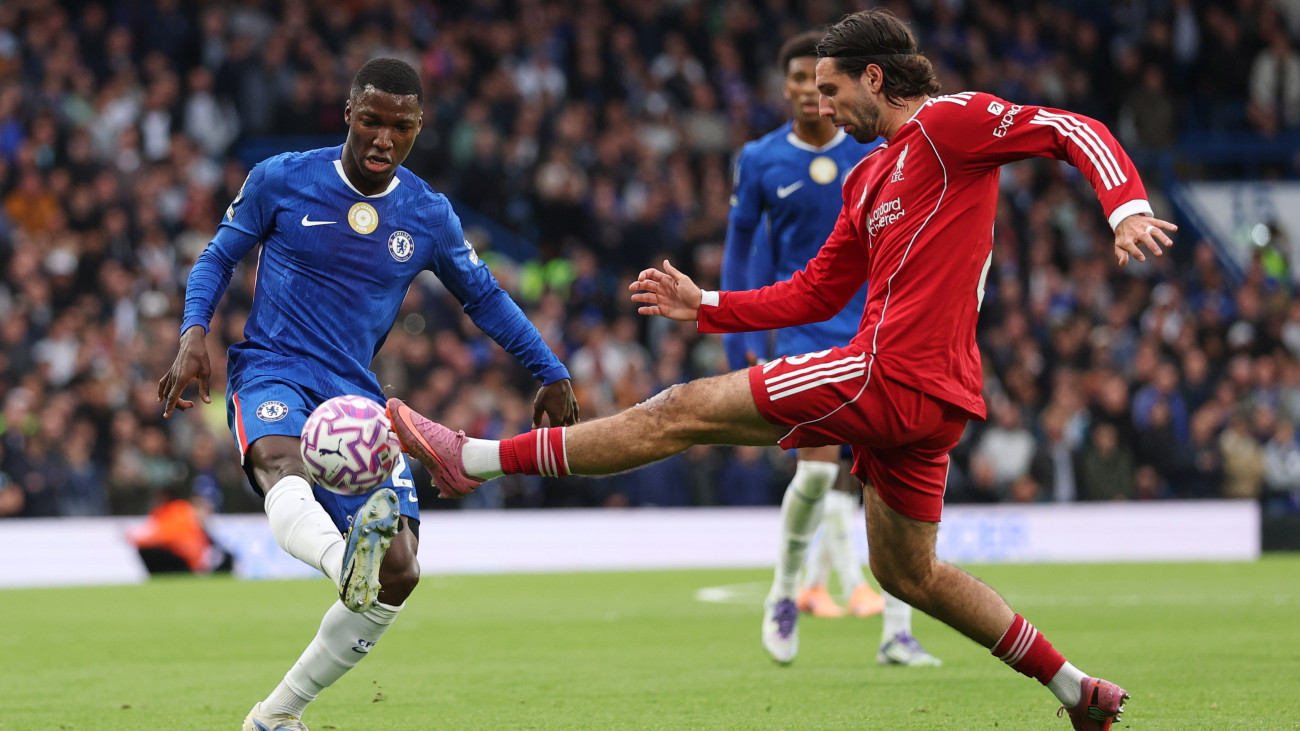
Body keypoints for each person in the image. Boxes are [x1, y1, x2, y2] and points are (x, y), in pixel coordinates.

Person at [387, 9, 1174, 729]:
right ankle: (1077, 690)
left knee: (681, 408)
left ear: (874, 77)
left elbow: (1072, 127)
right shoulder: (870, 179)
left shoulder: (948, 124)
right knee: (909, 575)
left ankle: (475, 461)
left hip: (892, 373)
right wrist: (710, 306)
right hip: (928, 398)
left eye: (831, 90)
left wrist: (1125, 206)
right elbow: (817, 288)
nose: (823, 108)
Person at [157, 58, 577, 731]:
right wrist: (192, 333)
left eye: (402, 127)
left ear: (418, 128)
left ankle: (275, 715)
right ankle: (338, 559)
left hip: (353, 398)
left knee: (401, 572)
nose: (386, 138)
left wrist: (551, 370)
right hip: (273, 368)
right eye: (374, 121)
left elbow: (486, 297)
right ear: (349, 113)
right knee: (278, 461)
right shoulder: (283, 178)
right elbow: (216, 256)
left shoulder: (427, 213)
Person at [721, 30, 935, 667]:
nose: (809, 95)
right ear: (787, 88)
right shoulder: (760, 159)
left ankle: (898, 631)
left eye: (819, 83)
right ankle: (785, 594)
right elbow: (739, 248)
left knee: (887, 482)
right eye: (796, 83)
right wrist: (738, 342)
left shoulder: (877, 150)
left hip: (880, 325)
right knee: (816, 473)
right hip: (806, 326)